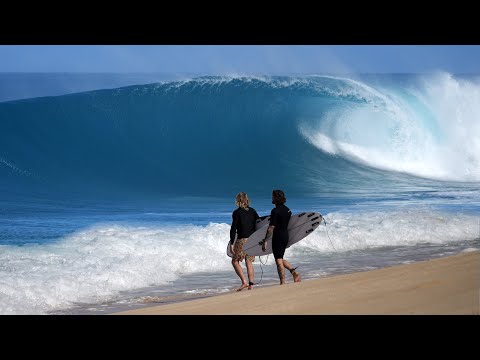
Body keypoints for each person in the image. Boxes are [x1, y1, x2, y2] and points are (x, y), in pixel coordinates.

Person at [262, 189, 301, 285]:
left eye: (273, 196)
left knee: (278, 260)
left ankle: (282, 283)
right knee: (279, 258)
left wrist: (265, 240)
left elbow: (271, 228)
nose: (271, 198)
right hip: (285, 236)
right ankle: (294, 272)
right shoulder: (288, 210)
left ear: (276, 198)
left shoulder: (275, 211)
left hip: (278, 237)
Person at [230, 192, 260, 291]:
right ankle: (251, 284)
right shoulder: (253, 211)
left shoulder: (236, 212)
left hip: (242, 240)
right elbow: (259, 224)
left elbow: (233, 228)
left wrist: (231, 243)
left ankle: (244, 282)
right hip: (253, 239)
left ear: (238, 201)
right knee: (249, 262)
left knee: (235, 261)